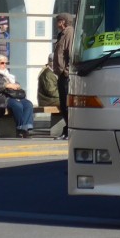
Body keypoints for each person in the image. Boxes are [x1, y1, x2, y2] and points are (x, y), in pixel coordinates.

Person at [0, 53, 34, 137]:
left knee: (28, 104)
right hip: (0, 97)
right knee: (17, 105)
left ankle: (24, 128)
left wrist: (17, 85)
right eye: (2, 63)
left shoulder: (7, 74)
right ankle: (20, 128)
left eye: (6, 63)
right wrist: (6, 85)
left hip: (12, 95)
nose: (4, 65)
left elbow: (14, 83)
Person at [51, 12, 75, 141]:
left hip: (65, 75)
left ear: (63, 22)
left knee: (67, 104)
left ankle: (69, 130)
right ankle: (67, 129)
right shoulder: (61, 35)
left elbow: (70, 53)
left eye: (58, 21)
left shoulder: (69, 33)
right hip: (61, 74)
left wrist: (66, 71)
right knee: (63, 104)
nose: (56, 24)